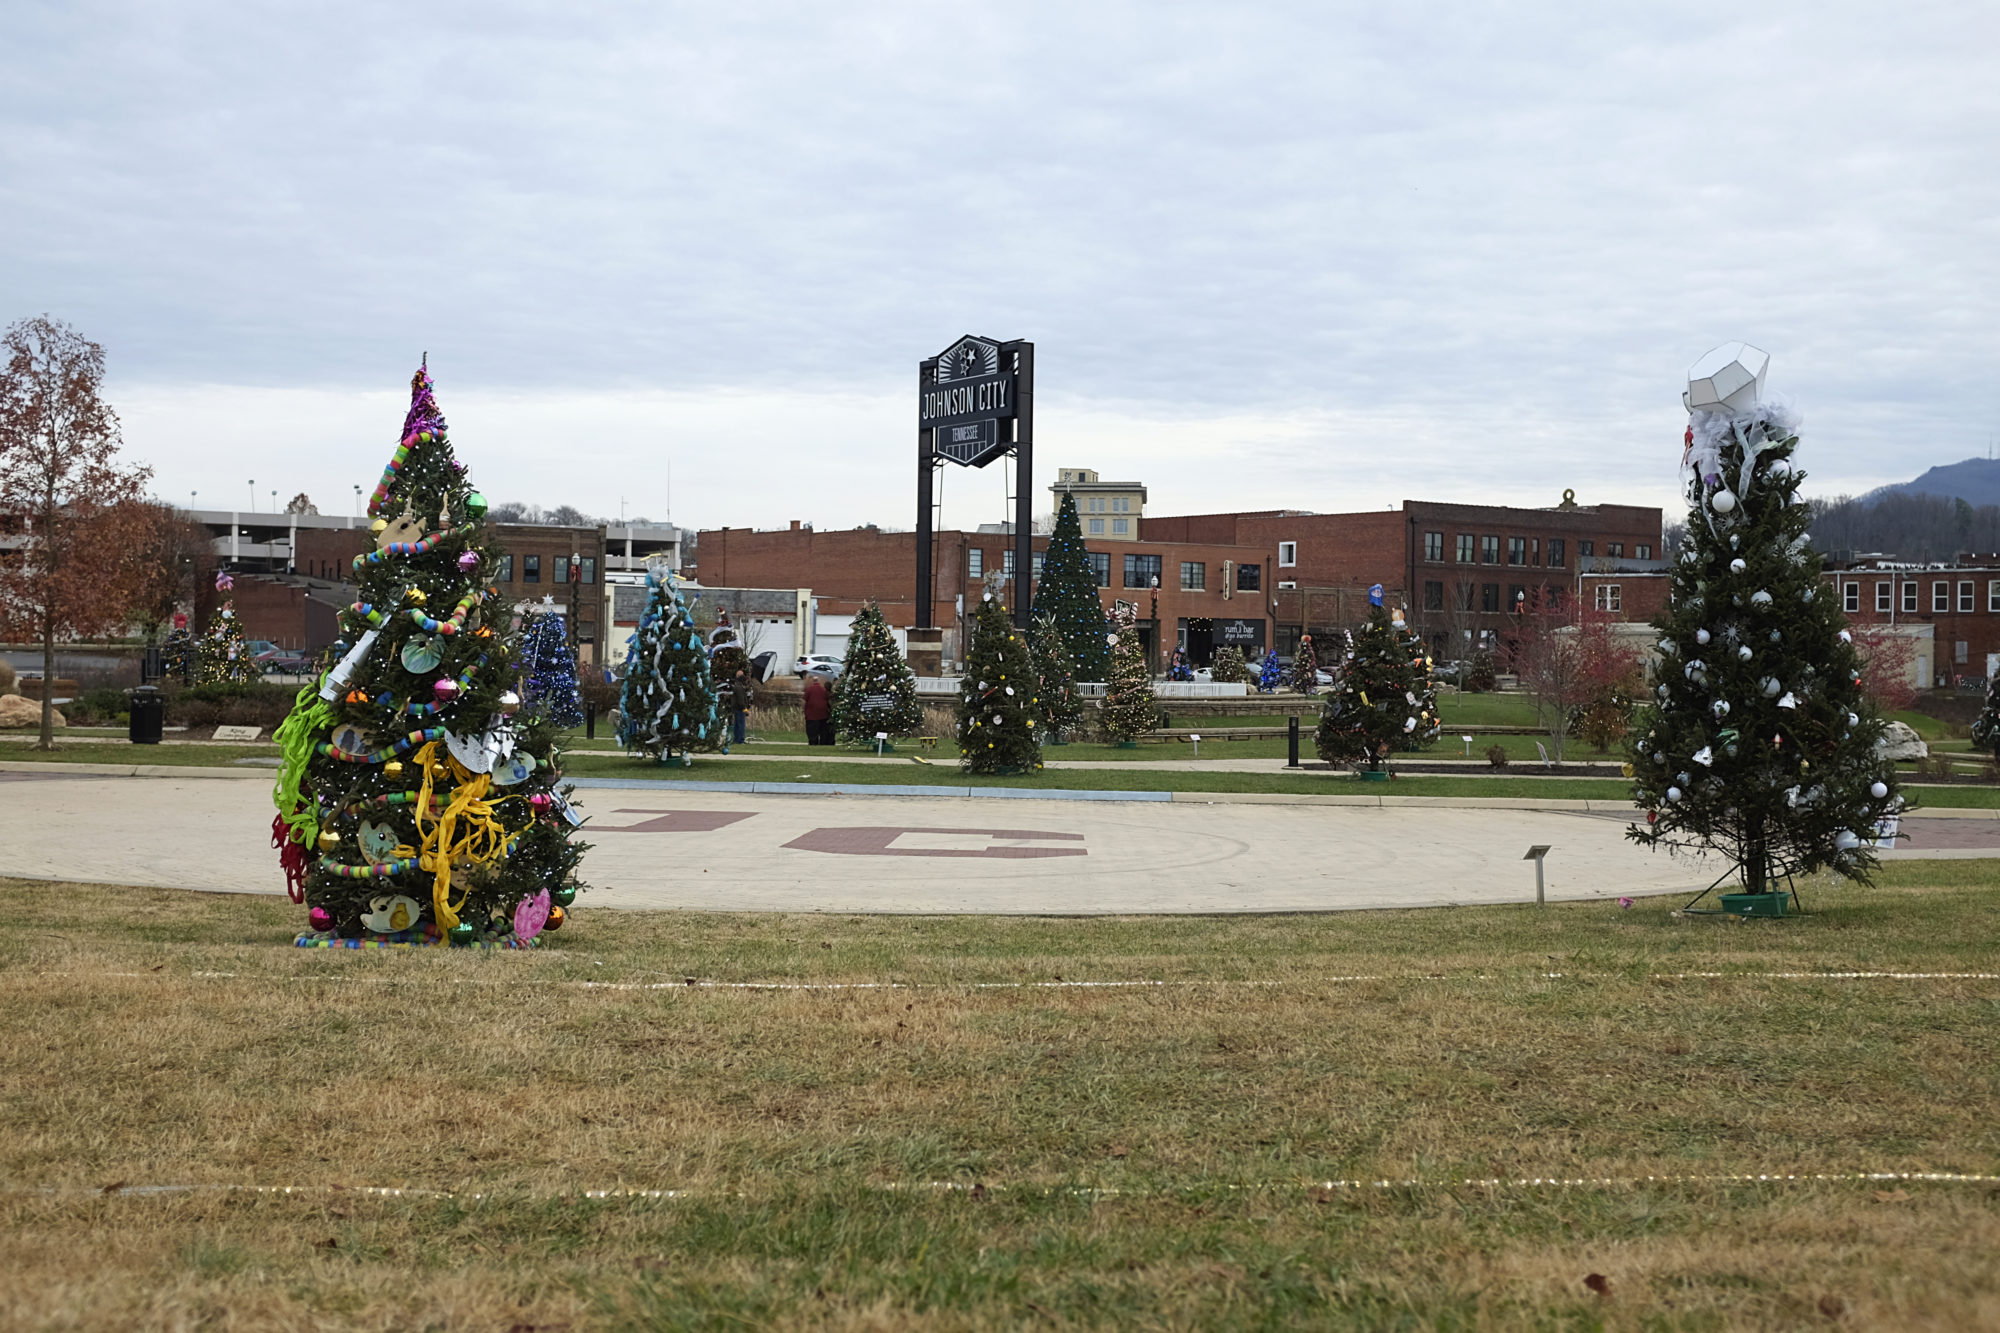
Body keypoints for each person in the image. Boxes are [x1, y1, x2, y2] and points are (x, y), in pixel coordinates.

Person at [802, 671, 833, 746]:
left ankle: (813, 741)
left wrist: (803, 710)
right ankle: (823, 741)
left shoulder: (809, 690)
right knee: (823, 729)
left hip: (811, 714)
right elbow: (828, 700)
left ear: (813, 682)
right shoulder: (823, 690)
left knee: (812, 729)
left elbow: (804, 701)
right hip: (823, 713)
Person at [726, 667, 754, 748]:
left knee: (737, 724)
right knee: (741, 724)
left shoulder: (737, 686)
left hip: (737, 708)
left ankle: (736, 739)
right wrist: (745, 709)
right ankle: (740, 739)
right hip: (740, 708)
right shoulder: (739, 687)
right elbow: (741, 700)